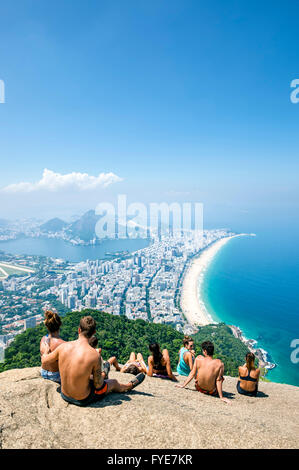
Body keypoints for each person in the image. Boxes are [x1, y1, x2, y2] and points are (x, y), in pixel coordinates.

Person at [41, 315, 145, 406]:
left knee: (91, 376)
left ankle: (105, 372)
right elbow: (98, 385)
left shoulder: (63, 346)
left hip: (64, 395)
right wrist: (102, 376)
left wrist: (46, 351)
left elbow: (44, 361)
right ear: (94, 333)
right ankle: (128, 386)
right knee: (113, 382)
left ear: (79, 330)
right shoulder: (94, 355)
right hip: (83, 399)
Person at [40, 310, 65, 383]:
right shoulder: (63, 344)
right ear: (59, 324)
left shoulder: (43, 339)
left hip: (43, 372)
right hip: (56, 376)